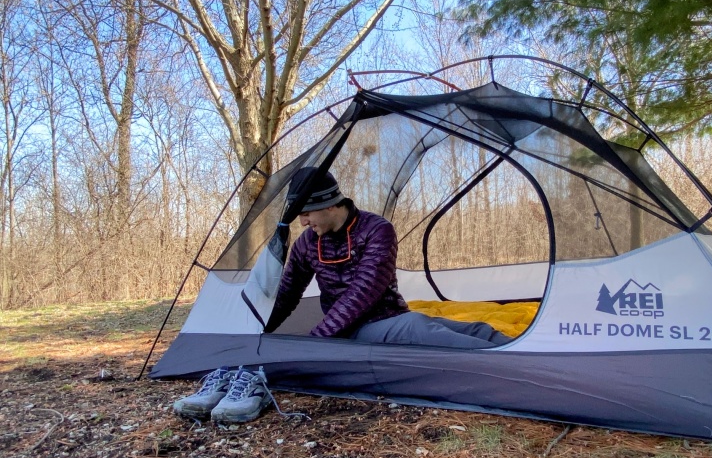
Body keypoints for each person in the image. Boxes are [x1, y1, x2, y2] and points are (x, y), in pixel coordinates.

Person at [174, 168, 510, 423]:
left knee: (423, 329)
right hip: (347, 329)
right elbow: (288, 292)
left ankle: (509, 353)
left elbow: (364, 293)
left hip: (381, 317)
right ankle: (509, 350)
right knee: (425, 328)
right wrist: (256, 333)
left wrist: (314, 341)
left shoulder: (377, 230)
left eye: (306, 213)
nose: (303, 222)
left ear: (328, 205)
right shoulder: (307, 243)